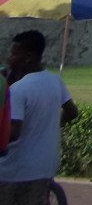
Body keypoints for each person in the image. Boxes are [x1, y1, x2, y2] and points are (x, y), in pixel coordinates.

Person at [0, 30, 78, 205]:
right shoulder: (55, 81)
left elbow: (12, 133)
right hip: (45, 166)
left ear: (28, 56)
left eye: (14, 53)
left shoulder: (18, 90)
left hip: (14, 171)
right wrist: (47, 126)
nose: (9, 58)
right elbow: (72, 112)